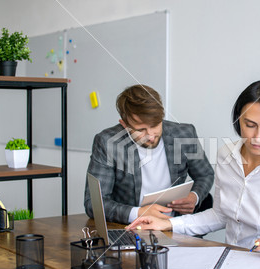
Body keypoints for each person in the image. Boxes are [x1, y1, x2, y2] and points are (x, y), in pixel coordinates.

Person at [127, 79, 260, 263]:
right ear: (238, 120)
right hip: (231, 262)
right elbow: (219, 215)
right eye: (250, 125)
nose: (257, 138)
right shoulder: (226, 156)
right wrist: (168, 224)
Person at [84, 84, 214, 224]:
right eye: (141, 130)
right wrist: (138, 213)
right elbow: (94, 204)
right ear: (124, 125)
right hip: (131, 229)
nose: (151, 136)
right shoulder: (108, 143)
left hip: (176, 225)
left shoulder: (184, 134)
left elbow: (205, 174)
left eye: (155, 125)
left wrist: (194, 197)